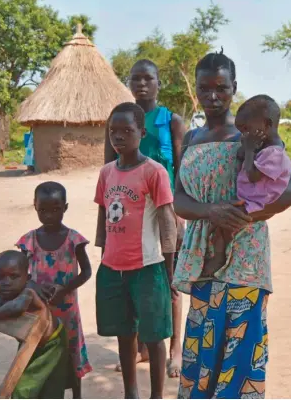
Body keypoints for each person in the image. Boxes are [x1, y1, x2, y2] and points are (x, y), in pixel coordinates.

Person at [173, 49, 291, 399]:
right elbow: (180, 200)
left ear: (234, 87)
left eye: (221, 87)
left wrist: (244, 217)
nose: (212, 96)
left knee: (238, 356)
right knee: (203, 351)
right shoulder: (190, 139)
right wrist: (211, 212)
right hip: (203, 257)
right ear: (196, 91)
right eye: (204, 89)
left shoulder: (251, 135)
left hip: (245, 258)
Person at [104, 59, 186, 378]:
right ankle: (139, 349)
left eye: (147, 79)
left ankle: (175, 348)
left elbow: (181, 171)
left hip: (164, 213)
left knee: (170, 282)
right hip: (129, 216)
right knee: (133, 283)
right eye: (135, 79)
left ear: (158, 83)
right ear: (129, 83)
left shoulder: (171, 121)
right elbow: (108, 173)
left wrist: (178, 215)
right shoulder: (118, 120)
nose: (141, 84)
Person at [95, 102, 178, 399]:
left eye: (126, 131)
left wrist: (170, 271)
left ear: (141, 133)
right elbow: (104, 214)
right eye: (113, 131)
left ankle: (156, 395)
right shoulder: (107, 173)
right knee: (124, 333)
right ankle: (131, 393)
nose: (118, 137)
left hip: (148, 267)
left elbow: (168, 223)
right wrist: (103, 253)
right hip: (113, 269)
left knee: (155, 336)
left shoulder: (154, 172)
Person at [13, 181, 92, 399]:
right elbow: (20, 275)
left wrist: (64, 289)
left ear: (65, 208)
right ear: (35, 207)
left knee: (71, 353)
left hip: (67, 313)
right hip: (39, 312)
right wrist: (34, 285)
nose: (49, 215)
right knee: (38, 353)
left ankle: (77, 395)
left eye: (56, 209)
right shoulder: (28, 241)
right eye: (43, 210)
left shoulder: (73, 240)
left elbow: (86, 272)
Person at [203, 94, 291, 276]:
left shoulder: (274, 154)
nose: (243, 135)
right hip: (248, 199)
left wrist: (250, 150)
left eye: (246, 129)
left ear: (267, 125)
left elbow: (252, 176)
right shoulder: (265, 147)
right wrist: (248, 148)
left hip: (256, 203)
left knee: (223, 228)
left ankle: (219, 258)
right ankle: (219, 253)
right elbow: (240, 157)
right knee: (214, 226)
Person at [0, 250, 69, 399]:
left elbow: (15, 307)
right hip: (30, 340)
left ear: (27, 278)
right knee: (41, 385)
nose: (6, 282)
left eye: (14, 276)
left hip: (51, 345)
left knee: (24, 390)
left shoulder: (28, 293)